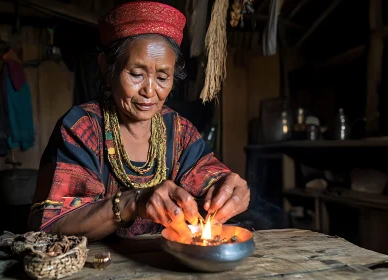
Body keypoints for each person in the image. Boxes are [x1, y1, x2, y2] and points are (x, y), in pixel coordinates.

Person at [29, 1, 250, 242]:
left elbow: (211, 180)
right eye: (136, 74)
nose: (150, 91)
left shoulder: (179, 131)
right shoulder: (82, 128)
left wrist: (229, 190)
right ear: (106, 68)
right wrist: (134, 201)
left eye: (163, 77)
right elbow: (50, 224)